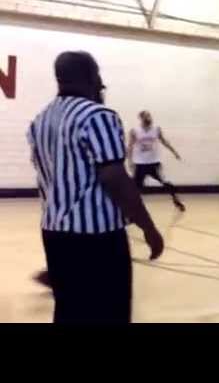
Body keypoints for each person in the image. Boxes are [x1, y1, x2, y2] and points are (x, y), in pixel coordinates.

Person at [27, 51, 164, 323]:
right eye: (98, 75)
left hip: (54, 233)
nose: (101, 84)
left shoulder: (40, 120)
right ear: (90, 77)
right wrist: (148, 227)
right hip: (96, 237)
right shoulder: (98, 116)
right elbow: (114, 178)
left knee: (69, 312)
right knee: (110, 314)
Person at [127, 111, 186, 212]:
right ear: (141, 118)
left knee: (165, 182)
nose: (149, 119)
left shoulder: (156, 129)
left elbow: (164, 141)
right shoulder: (135, 131)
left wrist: (174, 152)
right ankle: (132, 207)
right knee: (136, 187)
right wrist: (130, 161)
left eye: (149, 116)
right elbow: (130, 146)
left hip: (154, 163)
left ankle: (176, 199)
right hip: (140, 164)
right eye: (146, 117)